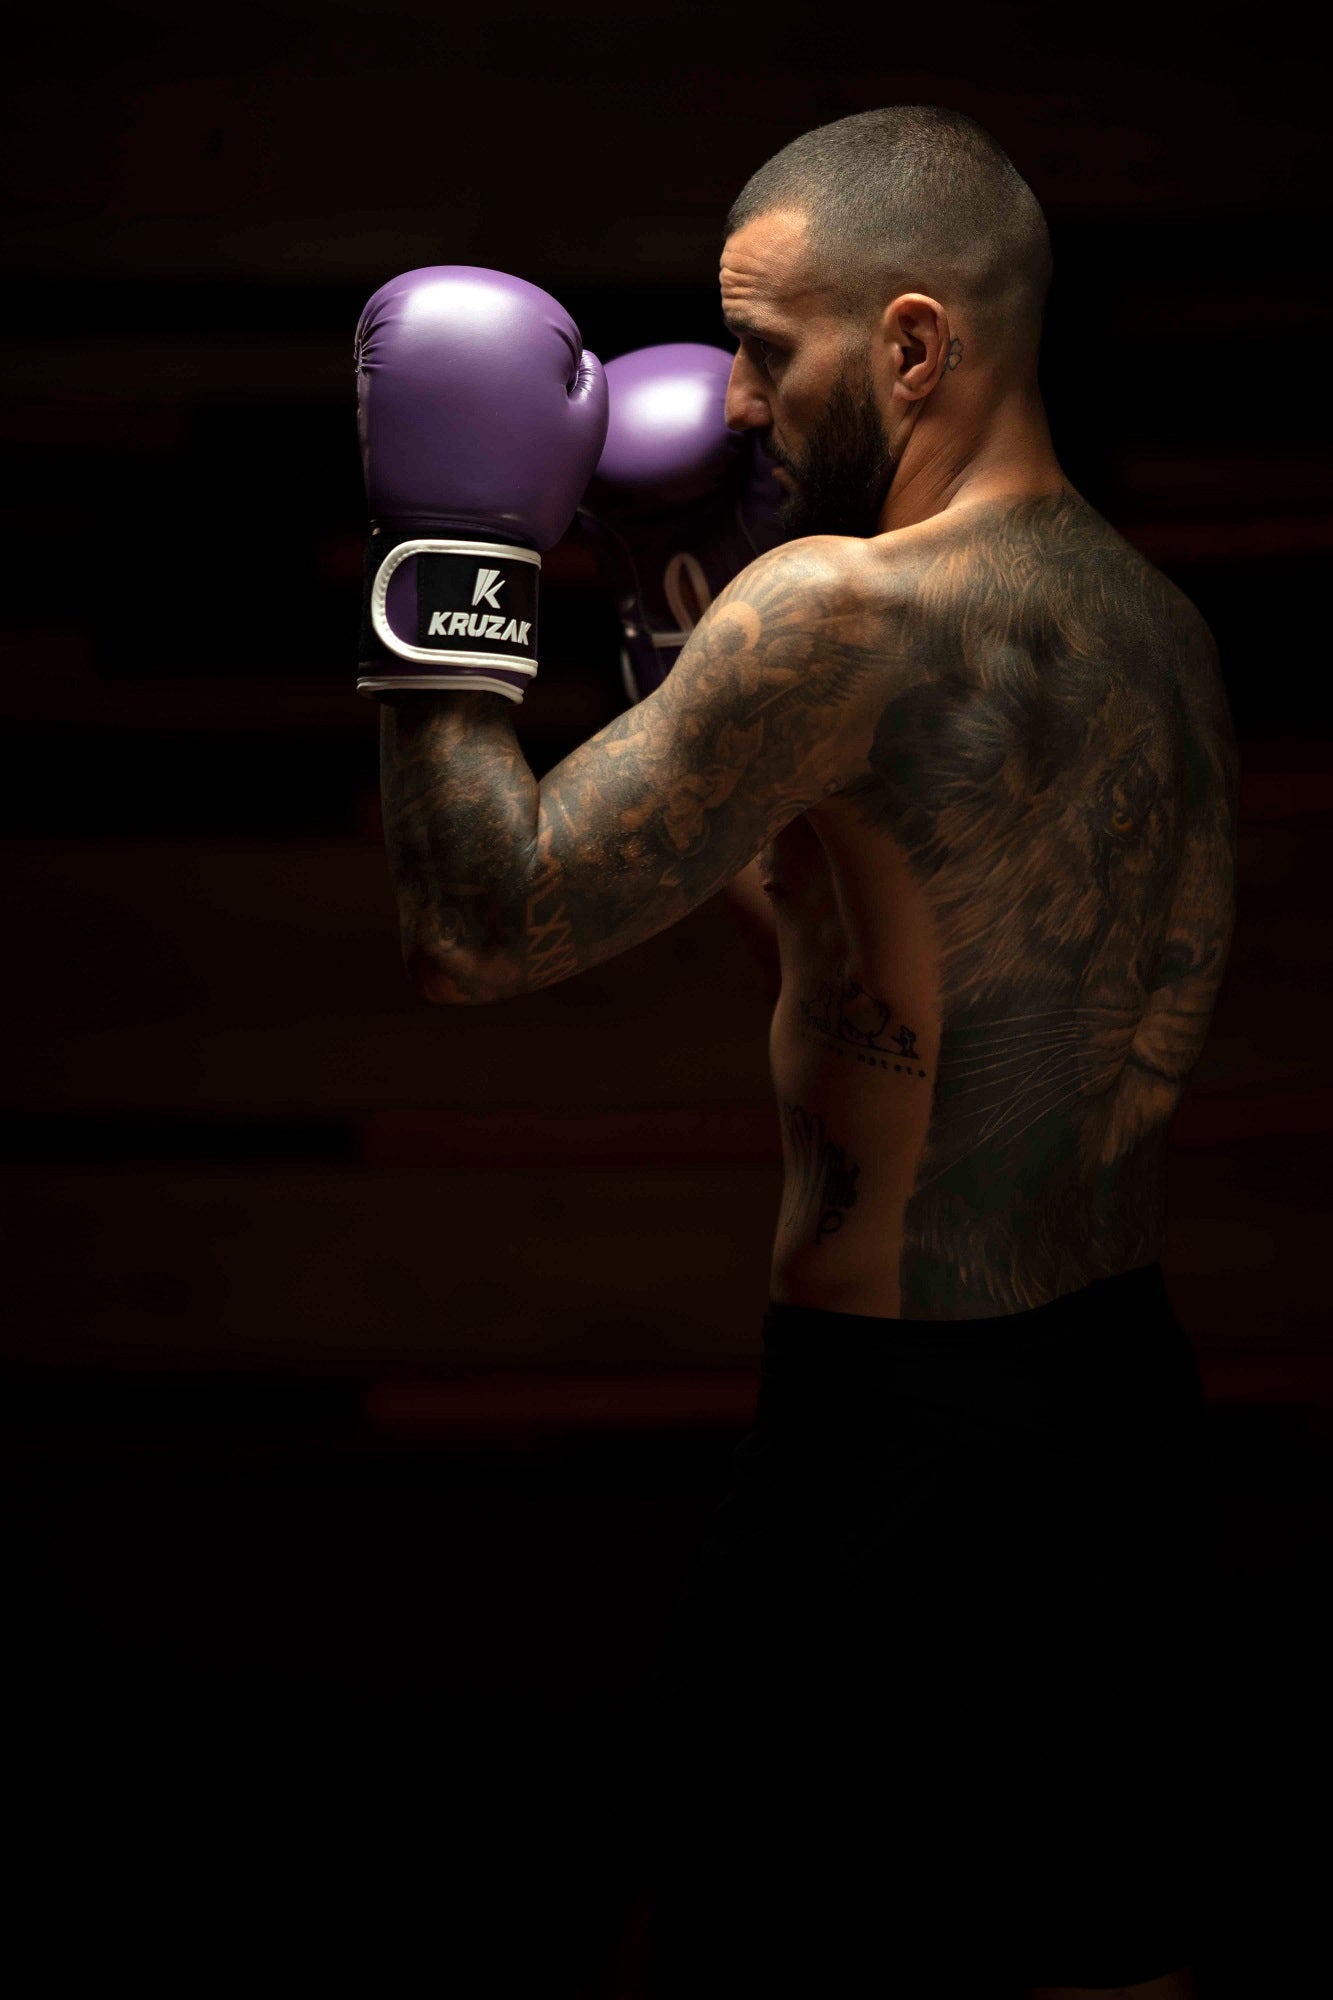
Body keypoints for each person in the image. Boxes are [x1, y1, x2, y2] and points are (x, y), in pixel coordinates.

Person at [358, 105, 1236, 2000]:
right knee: (1101, 1969)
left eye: (768, 348)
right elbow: (945, 961)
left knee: (707, 1971)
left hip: (889, 1444)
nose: (735, 405)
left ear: (912, 347)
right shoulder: (1153, 628)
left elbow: (472, 925)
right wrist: (694, 701)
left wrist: (456, 561)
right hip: (1125, 1424)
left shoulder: (830, 611)